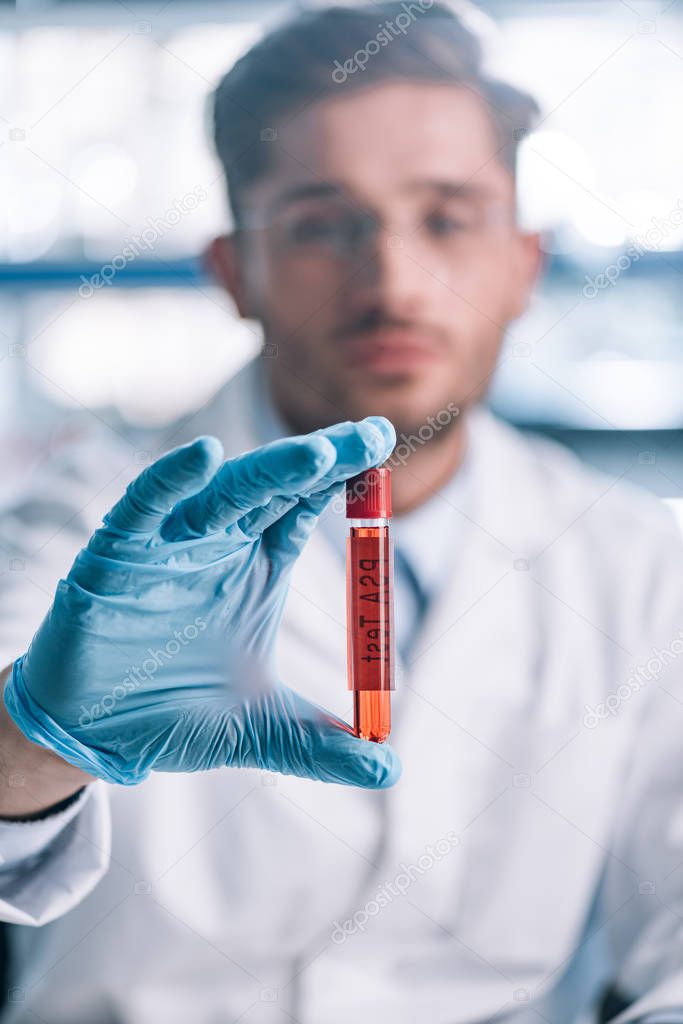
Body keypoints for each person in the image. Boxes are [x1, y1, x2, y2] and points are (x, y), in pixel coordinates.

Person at [1, 3, 683, 1021]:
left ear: (522, 264)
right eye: (322, 225)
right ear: (236, 272)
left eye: (447, 218)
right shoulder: (90, 518)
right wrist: (39, 740)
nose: (393, 284)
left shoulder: (636, 565)